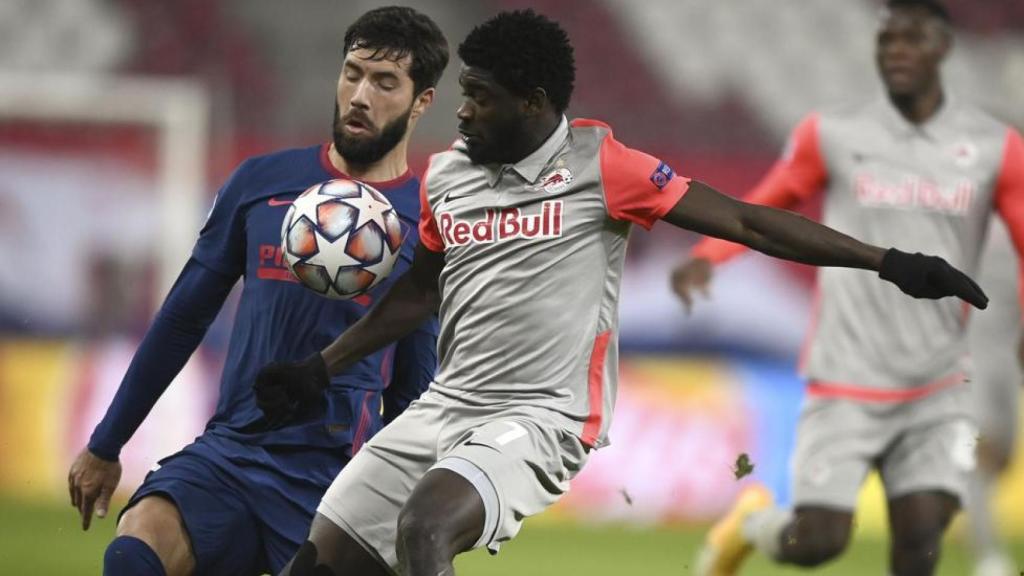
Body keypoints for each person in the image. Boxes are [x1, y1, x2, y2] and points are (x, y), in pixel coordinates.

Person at [254, 9, 988, 576]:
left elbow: (744, 220)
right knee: (316, 565)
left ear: (533, 102)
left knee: (425, 528)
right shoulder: (449, 174)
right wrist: (323, 365)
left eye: (480, 97)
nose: (463, 112)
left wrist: (888, 260)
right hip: (446, 406)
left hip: (541, 415)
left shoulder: (602, 166)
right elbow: (420, 292)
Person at [65, 7, 448, 575]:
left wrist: (394, 501)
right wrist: (106, 442)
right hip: (233, 454)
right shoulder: (261, 183)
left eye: (385, 82)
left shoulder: (426, 223)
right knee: (134, 549)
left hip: (338, 483)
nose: (360, 95)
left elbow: (414, 387)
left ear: (422, 102)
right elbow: (182, 319)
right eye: (352, 73)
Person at [669, 1, 1024, 575]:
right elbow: (768, 202)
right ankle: (753, 525)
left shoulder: (995, 147)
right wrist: (710, 255)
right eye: (887, 39)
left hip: (937, 380)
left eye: (912, 38)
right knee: (818, 542)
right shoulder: (832, 131)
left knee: (922, 540)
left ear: (943, 48)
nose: (896, 49)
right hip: (847, 373)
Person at [964, 219, 1022, 576]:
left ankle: (967, 504)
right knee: (981, 453)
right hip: (973, 354)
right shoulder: (969, 222)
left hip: (1010, 357)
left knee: (1004, 455)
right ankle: (988, 556)